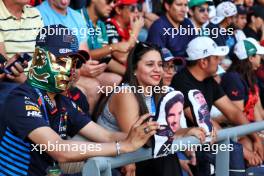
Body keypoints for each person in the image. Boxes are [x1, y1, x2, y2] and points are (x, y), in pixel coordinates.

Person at [0, 25, 159, 176]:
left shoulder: (63, 101)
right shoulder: (21, 99)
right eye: (63, 60)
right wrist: (123, 146)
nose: (70, 69)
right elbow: (60, 150)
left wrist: (146, 136)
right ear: (40, 58)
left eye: (74, 63)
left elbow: (106, 136)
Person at [96, 42, 205, 176]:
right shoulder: (126, 93)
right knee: (165, 156)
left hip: (140, 153)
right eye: (150, 64)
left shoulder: (159, 92)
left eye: (160, 65)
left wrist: (189, 131)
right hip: (114, 159)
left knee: (172, 155)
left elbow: (161, 134)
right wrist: (184, 133)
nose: (158, 70)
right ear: (134, 69)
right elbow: (140, 139)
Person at [170, 36, 263, 175]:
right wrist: (246, 152)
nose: (219, 61)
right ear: (203, 62)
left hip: (209, 141)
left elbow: (233, 112)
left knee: (255, 143)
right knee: (239, 152)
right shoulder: (181, 82)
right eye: (215, 58)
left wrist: (256, 139)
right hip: (192, 147)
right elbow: (205, 122)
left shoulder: (208, 80)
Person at [221, 38, 264, 123]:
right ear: (251, 58)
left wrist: (261, 131)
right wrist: (258, 135)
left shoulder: (250, 76)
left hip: (251, 129)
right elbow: (238, 118)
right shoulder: (233, 79)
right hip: (238, 132)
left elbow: (258, 111)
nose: (262, 59)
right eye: (259, 55)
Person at [0, 0, 43, 82]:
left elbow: (43, 54)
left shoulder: (35, 13)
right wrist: (35, 90)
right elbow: (5, 65)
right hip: (11, 86)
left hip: (36, 83)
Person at [106, 0, 144, 65]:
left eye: (139, 7)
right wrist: (135, 31)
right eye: (132, 8)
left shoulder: (130, 27)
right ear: (118, 10)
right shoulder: (109, 25)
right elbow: (122, 57)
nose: (136, 11)